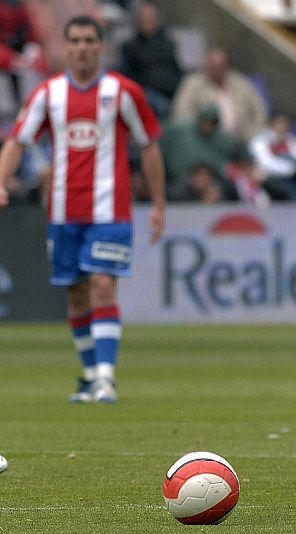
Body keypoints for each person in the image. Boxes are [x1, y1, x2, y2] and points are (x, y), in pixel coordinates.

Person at [0, 15, 166, 403]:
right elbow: (18, 140)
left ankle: (106, 378)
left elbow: (149, 145)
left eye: (90, 40)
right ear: (66, 46)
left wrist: (158, 203)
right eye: (74, 40)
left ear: (101, 46)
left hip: (111, 213)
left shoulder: (123, 92)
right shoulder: (48, 93)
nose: (82, 47)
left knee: (103, 285)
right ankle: (91, 376)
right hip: (62, 213)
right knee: (75, 293)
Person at [171, 47, 267, 142]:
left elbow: (259, 111)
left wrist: (252, 133)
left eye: (220, 67)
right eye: (212, 67)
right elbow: (181, 115)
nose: (216, 71)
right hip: (207, 141)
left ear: (227, 67)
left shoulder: (240, 82)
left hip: (244, 139)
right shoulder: (192, 84)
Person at [119, 1, 183, 119]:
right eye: (144, 18)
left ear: (158, 20)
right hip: (146, 96)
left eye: (151, 17)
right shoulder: (130, 46)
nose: (148, 21)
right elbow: (126, 75)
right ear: (137, 21)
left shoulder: (168, 44)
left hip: (171, 93)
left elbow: (177, 71)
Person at [159, 104, 237, 194]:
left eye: (212, 123)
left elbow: (226, 168)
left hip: (210, 185)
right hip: (179, 182)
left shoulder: (222, 140)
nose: (208, 126)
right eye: (206, 121)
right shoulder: (181, 130)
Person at [248, 112, 296, 201]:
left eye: (285, 124)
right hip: (270, 179)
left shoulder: (292, 140)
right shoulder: (260, 141)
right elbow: (266, 163)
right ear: (271, 124)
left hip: (293, 178)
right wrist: (291, 169)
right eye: (279, 123)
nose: (282, 126)